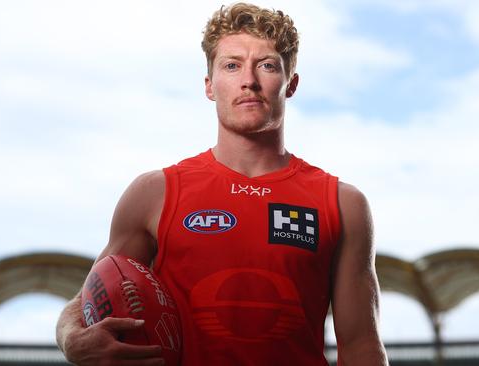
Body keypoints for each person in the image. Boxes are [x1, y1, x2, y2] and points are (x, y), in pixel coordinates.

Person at [56, 3, 388, 365]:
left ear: (290, 84)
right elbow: (86, 297)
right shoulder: (155, 193)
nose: (248, 80)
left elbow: (361, 346)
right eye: (232, 66)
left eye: (267, 65)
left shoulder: (342, 204)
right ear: (210, 86)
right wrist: (72, 339)